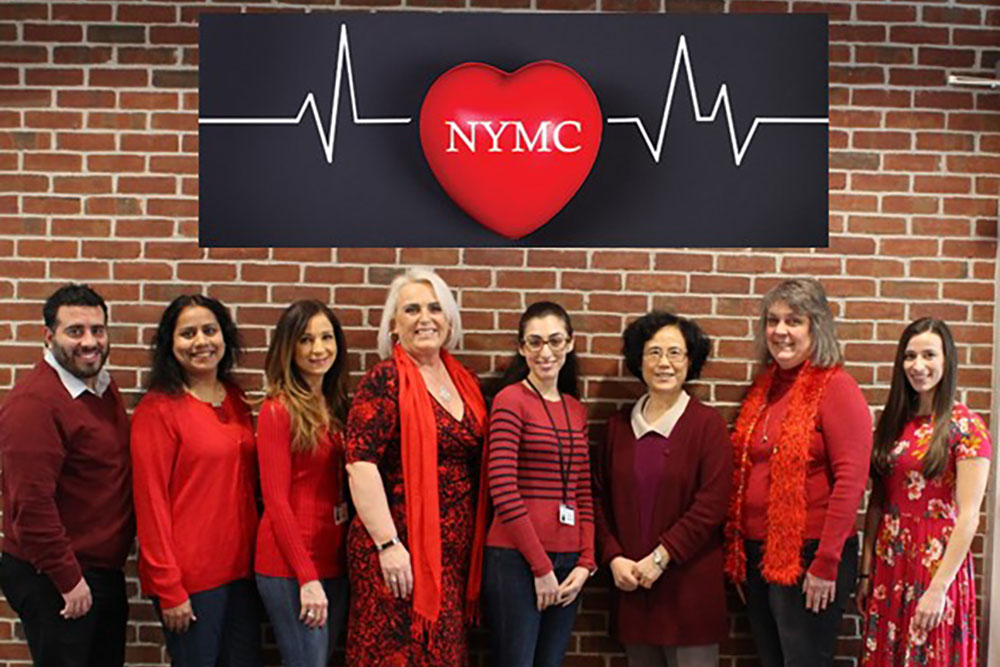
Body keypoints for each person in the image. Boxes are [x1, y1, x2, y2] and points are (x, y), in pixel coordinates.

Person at [344, 267, 489, 666]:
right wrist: (388, 545)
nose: (425, 318)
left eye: (434, 308)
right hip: (397, 557)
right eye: (412, 309)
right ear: (394, 324)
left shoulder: (465, 382)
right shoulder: (384, 381)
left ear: (449, 320)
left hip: (450, 560)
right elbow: (360, 464)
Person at [723, 278, 872, 667]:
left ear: (816, 326)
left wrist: (826, 563)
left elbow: (851, 482)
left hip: (810, 557)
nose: (780, 331)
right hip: (758, 555)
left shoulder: (837, 388)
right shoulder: (764, 389)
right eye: (772, 321)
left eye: (794, 321)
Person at [0, 284, 135, 667]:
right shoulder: (35, 403)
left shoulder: (102, 387)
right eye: (75, 331)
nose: (90, 341)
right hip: (56, 575)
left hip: (96, 570)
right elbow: (31, 504)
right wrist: (68, 579)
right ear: (49, 336)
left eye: (98, 329)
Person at [593, 311, 732, 667]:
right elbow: (597, 500)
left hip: (689, 594)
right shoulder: (617, 428)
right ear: (639, 360)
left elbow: (712, 505)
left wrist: (661, 556)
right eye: (654, 352)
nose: (664, 363)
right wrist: (613, 557)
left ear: (690, 361)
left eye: (675, 353)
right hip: (633, 591)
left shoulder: (707, 426)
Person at [130, 294, 262, 667]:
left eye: (210, 330)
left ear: (225, 337)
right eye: (188, 333)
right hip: (191, 581)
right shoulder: (157, 410)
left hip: (242, 575)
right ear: (170, 346)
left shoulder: (235, 398)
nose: (201, 341)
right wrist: (169, 587)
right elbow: (150, 504)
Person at [857, 318, 991, 667]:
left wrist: (938, 588)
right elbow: (878, 500)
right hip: (891, 563)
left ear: (947, 361)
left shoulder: (966, 426)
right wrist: (866, 571)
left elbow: (969, 516)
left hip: (937, 565)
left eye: (929, 355)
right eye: (909, 356)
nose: (918, 366)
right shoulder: (892, 422)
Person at [483, 301, 595, 667]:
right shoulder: (510, 401)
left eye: (555, 341)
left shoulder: (575, 409)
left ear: (570, 343)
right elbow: (501, 486)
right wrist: (540, 567)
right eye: (534, 342)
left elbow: (582, 491)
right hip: (516, 559)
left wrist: (586, 561)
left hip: (568, 562)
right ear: (521, 348)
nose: (545, 352)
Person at [255, 300, 351, 667]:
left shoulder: (334, 404)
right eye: (306, 340)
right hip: (290, 564)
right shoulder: (277, 410)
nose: (318, 349)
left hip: (332, 560)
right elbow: (276, 502)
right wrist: (306, 577)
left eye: (327, 337)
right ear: (289, 347)